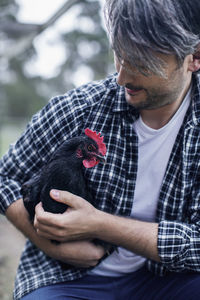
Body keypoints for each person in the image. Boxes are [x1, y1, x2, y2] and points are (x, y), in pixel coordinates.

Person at [1, 0, 200, 299]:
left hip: (170, 279)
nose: (121, 76)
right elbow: (4, 177)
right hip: (70, 277)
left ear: (194, 57)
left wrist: (100, 225)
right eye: (119, 55)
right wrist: (47, 243)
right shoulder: (78, 108)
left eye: (142, 63)